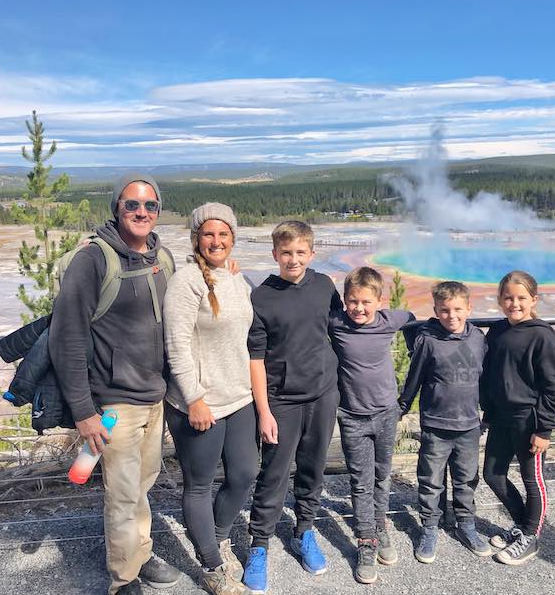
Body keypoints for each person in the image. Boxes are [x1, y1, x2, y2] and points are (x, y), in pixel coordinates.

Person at [50, 173, 181, 594]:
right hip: (112, 405)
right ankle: (123, 578)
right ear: (116, 208)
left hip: (154, 397)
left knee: (141, 485)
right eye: (132, 204)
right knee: (122, 493)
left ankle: (139, 553)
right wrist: (83, 411)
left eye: (150, 206)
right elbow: (66, 337)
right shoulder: (94, 259)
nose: (142, 212)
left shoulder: (162, 257)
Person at [243, 221, 343, 594]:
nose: (293, 259)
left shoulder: (324, 286)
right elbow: (255, 359)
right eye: (286, 253)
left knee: (313, 468)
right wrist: (264, 411)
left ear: (311, 254)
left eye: (301, 253)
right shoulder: (262, 297)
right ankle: (259, 545)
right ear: (275, 255)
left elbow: (337, 329)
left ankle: (304, 531)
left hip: (322, 393)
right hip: (281, 400)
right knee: (273, 473)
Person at [163, 202, 257, 595]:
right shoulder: (186, 281)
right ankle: (211, 565)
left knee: (244, 474)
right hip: (199, 403)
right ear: (196, 238)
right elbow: (176, 345)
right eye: (208, 234)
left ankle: (216, 536)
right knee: (199, 485)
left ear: (232, 239)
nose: (216, 241)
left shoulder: (236, 278)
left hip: (239, 397)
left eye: (223, 234)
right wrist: (194, 398)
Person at [328, 267, 414, 584]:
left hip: (386, 413)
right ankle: (366, 540)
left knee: (381, 475)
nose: (359, 308)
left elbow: (412, 317)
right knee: (360, 480)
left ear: (380, 300)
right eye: (352, 301)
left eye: (366, 301)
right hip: (352, 416)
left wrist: (419, 350)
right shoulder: (335, 323)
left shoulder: (391, 320)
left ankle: (381, 524)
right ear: (345, 300)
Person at [398, 281, 491, 563]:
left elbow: (485, 379)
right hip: (436, 425)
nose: (452, 316)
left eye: (457, 309)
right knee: (430, 481)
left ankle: (466, 526)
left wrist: (488, 411)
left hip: (469, 426)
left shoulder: (478, 338)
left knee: (466, 480)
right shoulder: (428, 341)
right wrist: (402, 406)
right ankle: (429, 528)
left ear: (469, 308)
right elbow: (414, 378)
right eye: (445, 310)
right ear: (436, 311)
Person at [480, 270, 555, 566]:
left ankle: (531, 536)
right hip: (502, 418)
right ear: (500, 300)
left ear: (533, 300)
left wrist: (544, 429)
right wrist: (488, 412)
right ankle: (521, 524)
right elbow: (491, 374)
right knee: (492, 474)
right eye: (508, 297)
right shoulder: (498, 330)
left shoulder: (542, 336)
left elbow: (553, 387)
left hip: (529, 420)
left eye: (521, 298)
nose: (514, 303)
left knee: (533, 481)